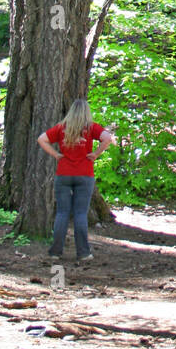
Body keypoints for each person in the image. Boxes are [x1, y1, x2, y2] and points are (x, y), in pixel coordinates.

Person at [37, 99, 114, 264]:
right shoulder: (91, 127)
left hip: (63, 174)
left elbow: (41, 139)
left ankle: (55, 251)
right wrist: (95, 154)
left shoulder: (61, 128)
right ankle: (83, 253)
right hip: (85, 175)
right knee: (80, 214)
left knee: (62, 213)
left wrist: (56, 155)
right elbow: (107, 138)